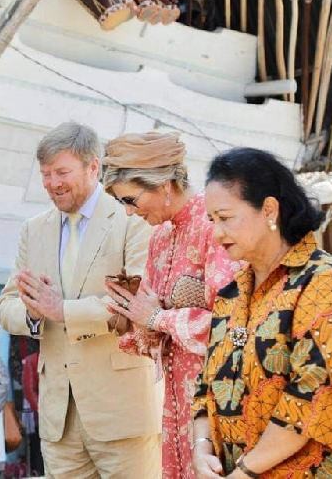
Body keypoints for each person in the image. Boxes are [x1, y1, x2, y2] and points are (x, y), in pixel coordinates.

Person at [0, 122, 160, 478]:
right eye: (45, 174)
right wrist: (34, 314)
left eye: (61, 172)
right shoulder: (33, 229)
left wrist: (62, 310)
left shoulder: (132, 218)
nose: (51, 183)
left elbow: (139, 301)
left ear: (93, 167)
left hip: (123, 412)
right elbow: (6, 305)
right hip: (59, 419)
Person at [192, 147, 332, 478]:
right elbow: (205, 388)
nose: (216, 233)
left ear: (269, 210)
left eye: (225, 218)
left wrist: (245, 471)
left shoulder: (324, 285)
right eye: (212, 220)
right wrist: (201, 450)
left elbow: (315, 395)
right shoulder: (231, 295)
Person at [100, 132, 240, 478]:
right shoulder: (160, 238)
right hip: (176, 404)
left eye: (131, 199)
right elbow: (156, 333)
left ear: (164, 185)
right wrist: (131, 314)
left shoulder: (214, 226)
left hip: (219, 401)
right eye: (121, 203)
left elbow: (234, 325)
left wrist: (157, 317)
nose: (129, 212)